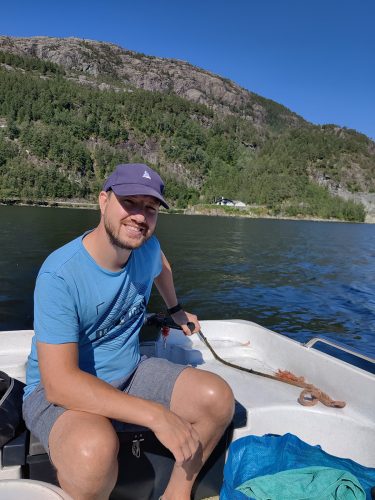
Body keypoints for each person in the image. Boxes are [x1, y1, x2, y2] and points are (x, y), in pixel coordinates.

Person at [23, 163, 235, 500]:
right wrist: (157, 416)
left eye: (150, 208)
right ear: (103, 200)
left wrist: (175, 309)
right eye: (130, 202)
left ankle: (175, 495)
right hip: (58, 392)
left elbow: (161, 264)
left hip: (131, 372)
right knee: (91, 450)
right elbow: (59, 384)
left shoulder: (146, 248)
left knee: (217, 398)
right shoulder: (60, 276)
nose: (140, 216)